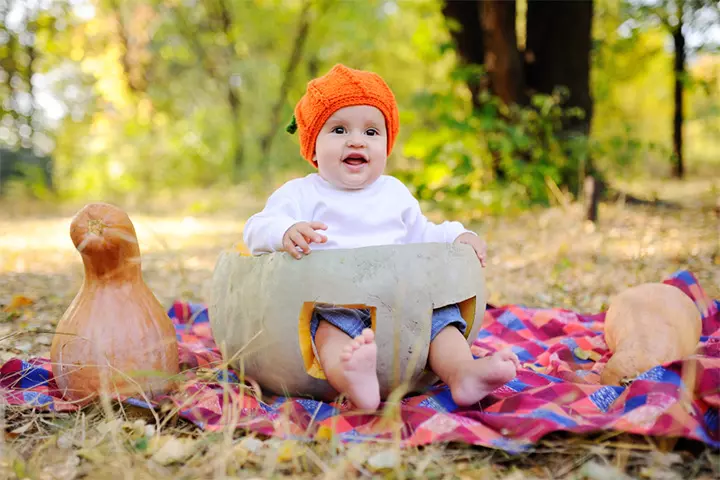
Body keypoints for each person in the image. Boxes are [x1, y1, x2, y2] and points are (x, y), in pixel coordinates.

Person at [243, 64, 519, 410]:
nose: (356, 140)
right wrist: (284, 231)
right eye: (339, 129)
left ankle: (463, 373)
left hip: (402, 305)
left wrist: (458, 236)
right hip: (336, 303)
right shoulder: (301, 194)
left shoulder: (394, 193)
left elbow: (424, 234)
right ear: (313, 147)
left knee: (442, 323)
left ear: (386, 146)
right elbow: (256, 228)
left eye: (372, 132)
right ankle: (355, 382)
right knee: (327, 335)